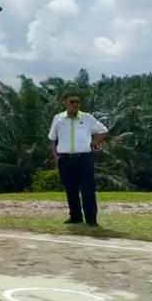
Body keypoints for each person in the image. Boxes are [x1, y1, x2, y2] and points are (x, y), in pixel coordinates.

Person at [48, 92, 108, 226]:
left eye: (77, 102)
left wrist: (93, 143)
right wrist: (56, 157)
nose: (75, 104)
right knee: (71, 190)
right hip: (65, 159)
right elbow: (52, 139)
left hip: (84, 159)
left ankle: (91, 219)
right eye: (72, 102)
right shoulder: (58, 119)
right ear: (65, 103)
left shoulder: (87, 118)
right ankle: (75, 216)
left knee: (88, 189)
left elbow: (103, 131)